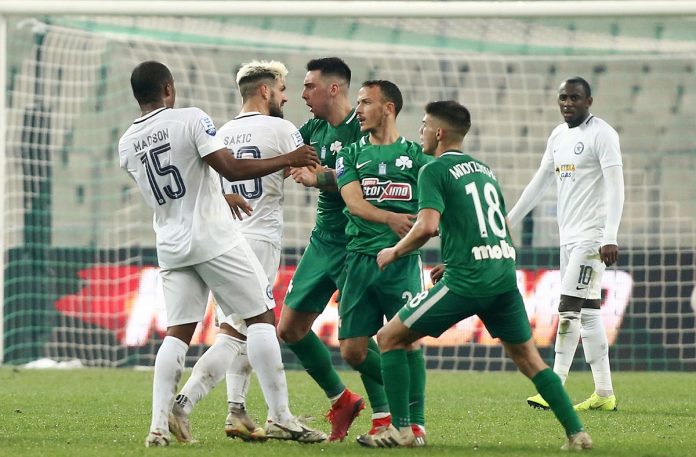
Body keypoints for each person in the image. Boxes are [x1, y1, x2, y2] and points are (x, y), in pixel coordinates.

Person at [118, 60, 323, 447]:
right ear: (168, 88)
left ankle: (158, 427)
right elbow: (231, 168)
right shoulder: (190, 118)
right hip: (213, 237)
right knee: (260, 318)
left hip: (171, 244)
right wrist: (288, 158)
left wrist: (219, 194)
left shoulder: (126, 143)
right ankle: (280, 416)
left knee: (178, 334)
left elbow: (180, 183)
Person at [375, 100, 592, 451]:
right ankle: (577, 433)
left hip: (469, 280)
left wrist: (395, 251)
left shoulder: (433, 170)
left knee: (389, 337)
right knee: (530, 359)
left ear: (439, 133)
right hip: (502, 275)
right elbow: (493, 226)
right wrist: (455, 260)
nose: (421, 131)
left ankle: (400, 430)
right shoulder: (483, 170)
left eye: (425, 125)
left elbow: (427, 226)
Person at [507, 77, 623, 412]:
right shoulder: (558, 136)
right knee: (588, 312)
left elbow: (616, 186)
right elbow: (539, 181)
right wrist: (508, 222)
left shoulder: (603, 134)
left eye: (575, 98)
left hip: (592, 237)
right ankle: (604, 393)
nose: (568, 103)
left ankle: (553, 387)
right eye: (563, 98)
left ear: (589, 101)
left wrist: (610, 235)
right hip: (568, 237)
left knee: (568, 308)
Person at [276, 57, 369, 442]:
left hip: (356, 241)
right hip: (322, 240)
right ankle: (341, 399)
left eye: (309, 85)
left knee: (358, 340)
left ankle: (388, 415)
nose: (302, 94)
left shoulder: (361, 127)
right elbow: (282, 156)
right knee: (290, 328)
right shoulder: (313, 128)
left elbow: (365, 174)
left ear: (333, 88)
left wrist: (321, 178)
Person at [335, 80, 429, 447]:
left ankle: (414, 425)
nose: (358, 110)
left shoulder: (417, 157)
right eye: (358, 102)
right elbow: (354, 204)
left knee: (407, 342)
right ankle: (400, 402)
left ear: (388, 108)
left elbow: (434, 209)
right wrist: (390, 217)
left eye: (365, 102)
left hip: (402, 261)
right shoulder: (350, 154)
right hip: (359, 260)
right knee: (352, 350)